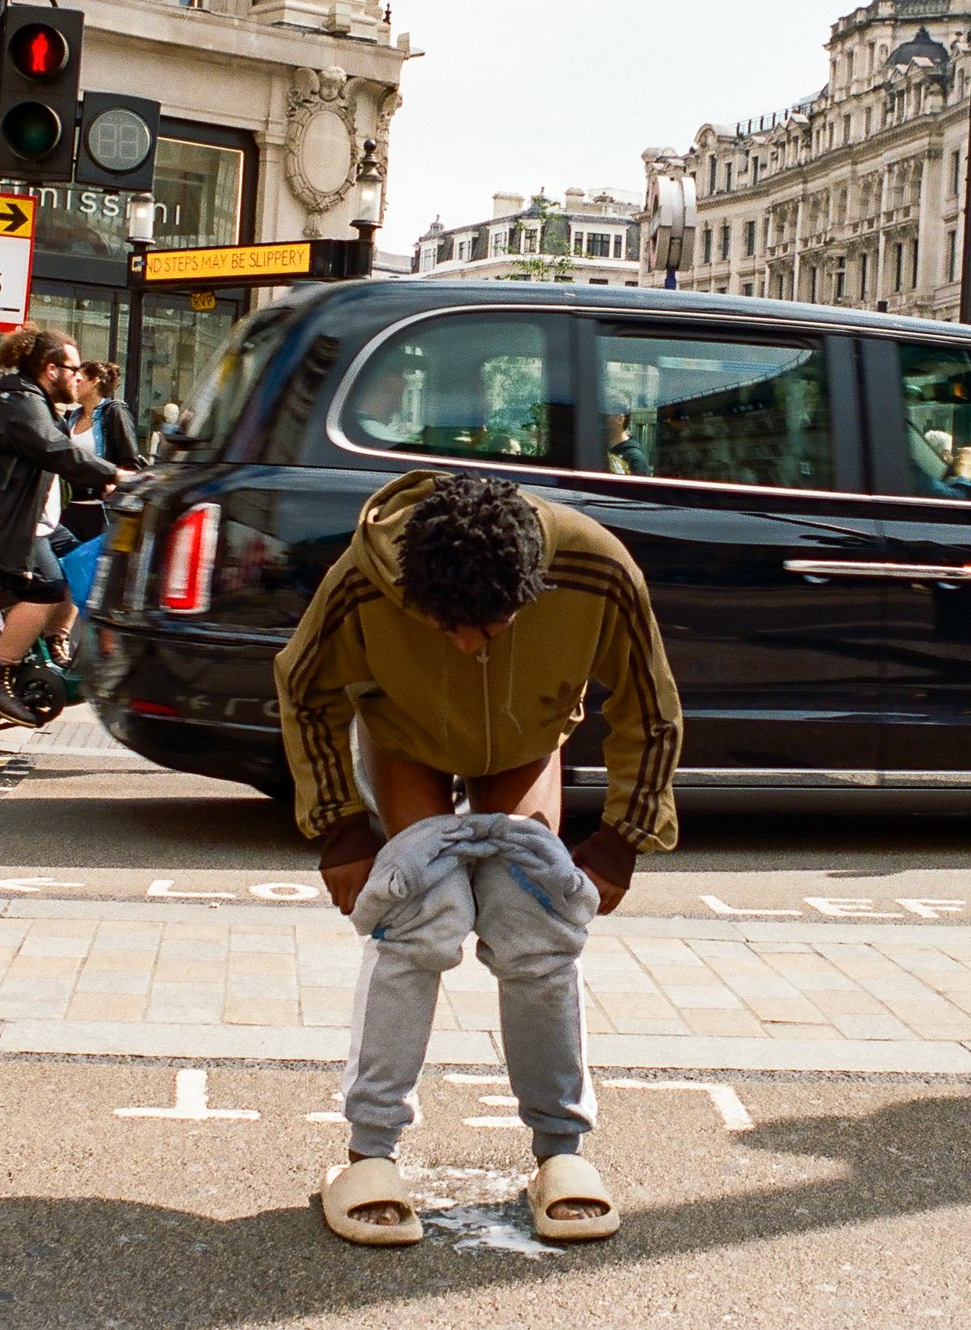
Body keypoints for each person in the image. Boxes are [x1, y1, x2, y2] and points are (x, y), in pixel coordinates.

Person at [275, 471, 682, 1248]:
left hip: (526, 739)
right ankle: (368, 1153)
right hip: (404, 738)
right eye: (445, 623)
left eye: (489, 625)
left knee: (536, 924)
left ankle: (561, 1151)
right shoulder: (366, 575)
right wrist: (340, 828)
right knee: (419, 918)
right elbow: (303, 686)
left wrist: (622, 840)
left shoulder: (598, 568)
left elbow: (650, 703)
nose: (466, 642)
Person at [0, 325, 132, 724]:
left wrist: (106, 480)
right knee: (44, 592)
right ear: (50, 368)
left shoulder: (35, 402)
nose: (79, 375)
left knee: (78, 560)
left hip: (30, 518)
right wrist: (115, 474)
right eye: (73, 368)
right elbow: (56, 451)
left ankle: (52, 638)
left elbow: (63, 456)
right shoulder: (20, 404)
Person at [61, 360, 140, 543]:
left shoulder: (113, 412)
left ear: (94, 381)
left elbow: (131, 460)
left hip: (100, 509)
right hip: (70, 508)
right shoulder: (72, 417)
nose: (74, 384)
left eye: (80, 380)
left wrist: (116, 486)